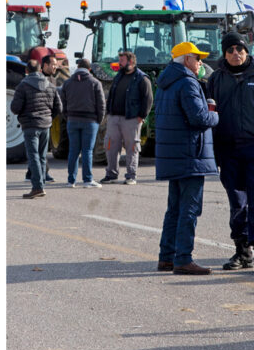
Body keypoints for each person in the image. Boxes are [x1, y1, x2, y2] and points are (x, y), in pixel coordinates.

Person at [155, 42, 219, 275]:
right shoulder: (188, 83)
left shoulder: (165, 83)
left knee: (174, 208)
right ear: (186, 60)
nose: (201, 62)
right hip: (190, 155)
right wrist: (214, 114)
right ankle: (183, 258)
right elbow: (199, 119)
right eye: (197, 57)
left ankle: (166, 257)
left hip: (174, 155)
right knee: (190, 209)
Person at [207, 32, 254, 269]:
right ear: (224, 54)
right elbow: (209, 112)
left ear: (247, 51)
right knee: (237, 202)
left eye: (239, 49)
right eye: (230, 50)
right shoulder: (216, 79)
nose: (236, 54)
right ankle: (243, 251)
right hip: (228, 150)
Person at [11, 57, 62, 198]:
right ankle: (41, 185)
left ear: (26, 71)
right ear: (40, 69)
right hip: (45, 125)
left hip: (30, 125)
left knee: (33, 156)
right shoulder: (50, 85)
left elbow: (15, 108)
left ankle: (37, 187)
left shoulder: (23, 85)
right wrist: (48, 118)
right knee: (42, 156)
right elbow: (59, 107)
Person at [100, 50, 154, 185]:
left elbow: (148, 99)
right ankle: (111, 174)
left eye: (122, 61)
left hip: (131, 119)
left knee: (132, 147)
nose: (119, 63)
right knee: (110, 146)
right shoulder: (118, 76)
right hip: (114, 117)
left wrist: (141, 116)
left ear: (131, 62)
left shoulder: (142, 78)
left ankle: (131, 175)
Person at [59, 58, 105, 187]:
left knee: (73, 151)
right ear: (89, 69)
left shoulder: (67, 83)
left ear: (77, 67)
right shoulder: (95, 82)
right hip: (90, 121)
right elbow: (101, 104)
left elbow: (62, 102)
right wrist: (98, 120)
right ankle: (87, 180)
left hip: (72, 120)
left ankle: (71, 181)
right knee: (87, 151)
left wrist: (67, 117)